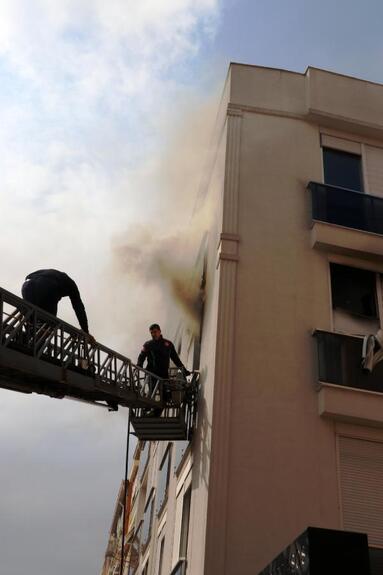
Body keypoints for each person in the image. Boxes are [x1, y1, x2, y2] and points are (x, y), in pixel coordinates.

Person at [21, 269, 94, 340]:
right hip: (47, 285)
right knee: (49, 322)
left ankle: (25, 339)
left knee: (33, 317)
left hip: (27, 286)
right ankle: (34, 345)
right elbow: (79, 307)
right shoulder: (72, 286)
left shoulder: (53, 274)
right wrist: (85, 331)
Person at [137, 323, 190, 413]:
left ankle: (155, 411)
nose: (153, 334)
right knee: (152, 393)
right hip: (151, 374)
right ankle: (148, 408)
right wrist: (139, 365)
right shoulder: (148, 344)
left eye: (155, 332)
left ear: (159, 331)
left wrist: (184, 370)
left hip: (163, 375)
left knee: (165, 396)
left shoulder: (168, 344)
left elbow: (176, 359)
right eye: (152, 333)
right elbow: (141, 356)